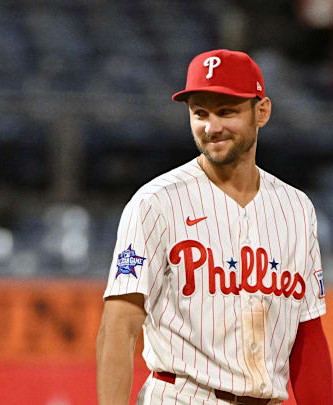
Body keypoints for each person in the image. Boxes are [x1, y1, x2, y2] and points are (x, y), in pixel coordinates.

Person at [96, 49, 333, 404]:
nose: (212, 127)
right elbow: (118, 327)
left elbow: (307, 337)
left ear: (262, 111)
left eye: (227, 111)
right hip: (182, 395)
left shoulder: (296, 208)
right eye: (200, 113)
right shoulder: (156, 203)